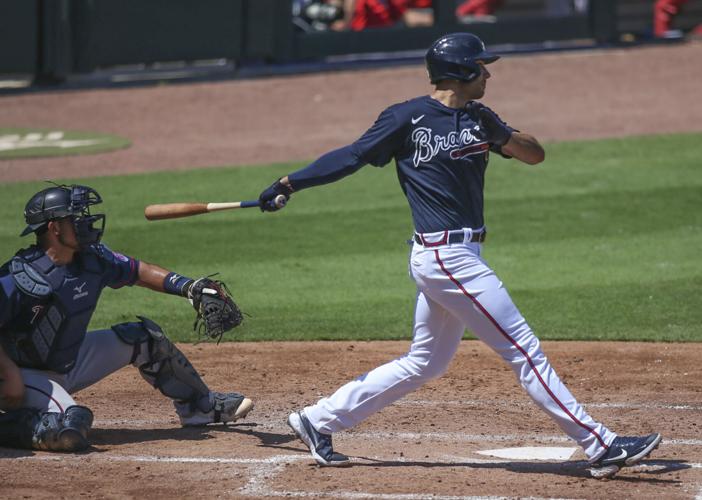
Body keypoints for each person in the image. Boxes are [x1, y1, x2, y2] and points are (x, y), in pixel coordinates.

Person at [257, 32, 662, 479]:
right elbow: (351, 157)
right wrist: (289, 183)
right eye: (482, 66)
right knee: (524, 350)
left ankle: (317, 419)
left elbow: (534, 155)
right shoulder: (406, 118)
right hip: (446, 256)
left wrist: (502, 135)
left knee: (426, 361)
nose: (488, 72)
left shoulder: (478, 116)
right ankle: (600, 444)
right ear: (462, 72)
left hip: (457, 254)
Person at [0, 184, 253, 452]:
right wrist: (9, 373)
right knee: (68, 428)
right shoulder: (18, 277)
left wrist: (189, 287)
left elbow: (140, 271)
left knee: (143, 338)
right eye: (76, 217)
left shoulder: (92, 260)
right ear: (54, 228)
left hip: (68, 363)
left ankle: (199, 407)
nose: (86, 221)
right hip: (20, 376)